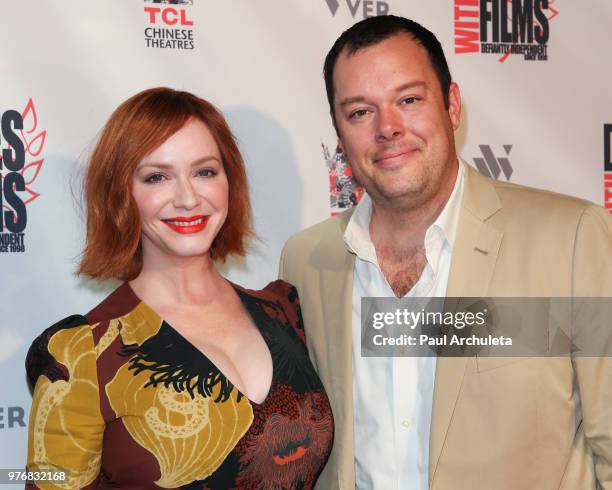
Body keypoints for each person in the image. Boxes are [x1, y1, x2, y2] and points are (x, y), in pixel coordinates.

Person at [279, 15, 612, 490]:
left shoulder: (572, 239)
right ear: (339, 133)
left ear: (452, 106)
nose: (388, 128)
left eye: (409, 100)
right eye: (359, 112)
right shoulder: (306, 263)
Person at [25, 88, 333, 489]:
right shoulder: (82, 354)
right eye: (157, 177)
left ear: (229, 181)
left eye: (205, 171)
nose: (188, 198)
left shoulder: (284, 311)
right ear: (122, 195)